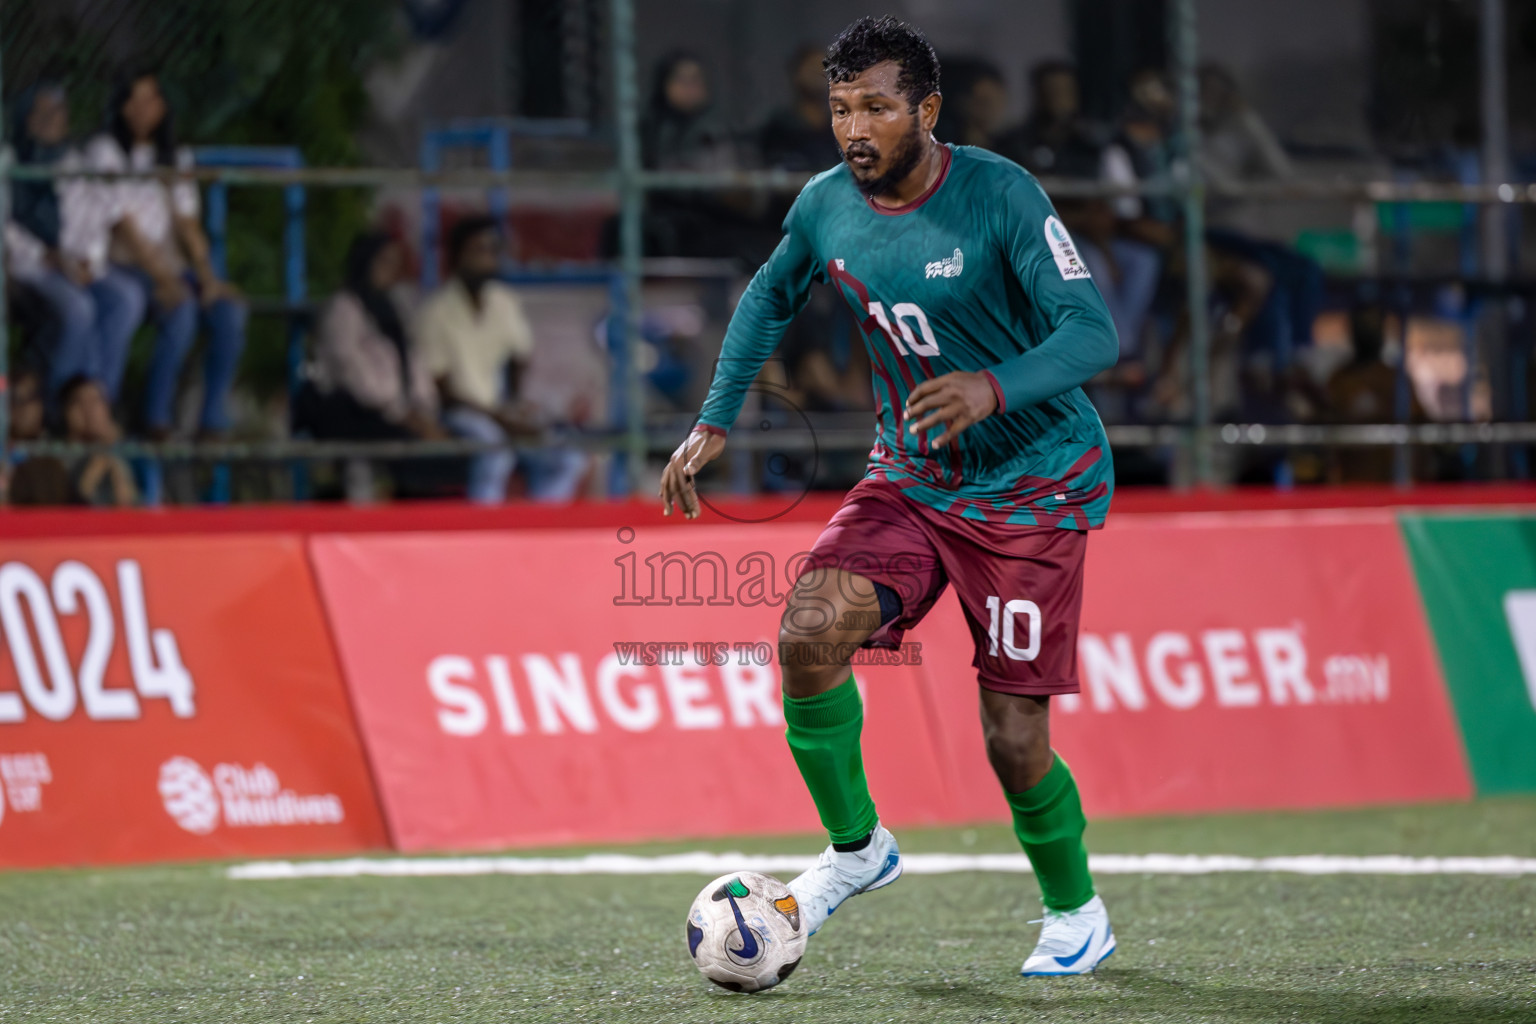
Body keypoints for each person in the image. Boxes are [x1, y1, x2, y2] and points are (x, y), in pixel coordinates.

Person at [660, 16, 1117, 976]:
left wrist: (993, 386)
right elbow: (768, 295)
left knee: (1013, 737)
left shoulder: (1000, 195)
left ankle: (1077, 913)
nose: (855, 127)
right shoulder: (828, 204)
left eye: (875, 106)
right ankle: (859, 849)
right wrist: (715, 417)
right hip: (911, 477)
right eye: (839, 108)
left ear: (927, 110)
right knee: (807, 631)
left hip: (1031, 490)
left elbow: (1092, 333)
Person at [84, 71, 247, 438]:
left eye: (152, 99)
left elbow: (187, 223)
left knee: (229, 313)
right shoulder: (105, 152)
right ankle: (156, 416)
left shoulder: (176, 156)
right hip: (126, 263)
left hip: (170, 264)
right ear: (121, 106)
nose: (144, 108)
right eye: (134, 99)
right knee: (183, 310)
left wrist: (208, 278)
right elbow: (122, 227)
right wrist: (165, 279)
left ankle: (211, 418)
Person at [417, 215, 587, 504]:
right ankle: (486, 537)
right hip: (460, 413)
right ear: (458, 256)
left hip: (501, 411)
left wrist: (515, 407)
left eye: (491, 250)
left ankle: (539, 533)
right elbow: (442, 391)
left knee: (568, 457)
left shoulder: (504, 302)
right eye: (477, 250)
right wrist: (500, 418)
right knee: (495, 453)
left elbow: (519, 356)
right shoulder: (435, 311)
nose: (486, 259)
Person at [5, 82, 144, 406]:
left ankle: (98, 403)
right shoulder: (10, 160)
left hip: (75, 265)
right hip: (30, 267)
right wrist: (48, 256)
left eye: (60, 112)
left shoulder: (72, 162)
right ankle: (60, 407)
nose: (54, 120)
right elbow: (7, 227)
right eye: (44, 113)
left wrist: (88, 260)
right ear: (27, 117)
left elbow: (93, 218)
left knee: (126, 297)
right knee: (78, 309)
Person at [305, 232, 443, 442]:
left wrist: (422, 412)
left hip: (400, 412)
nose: (390, 270)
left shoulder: (395, 308)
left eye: (395, 264)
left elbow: (414, 363)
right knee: (409, 443)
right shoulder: (344, 308)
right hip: (356, 411)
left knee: (448, 443)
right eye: (383, 261)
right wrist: (400, 414)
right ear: (365, 260)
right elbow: (349, 372)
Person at [57, 374, 137, 506]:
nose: (89, 410)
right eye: (80, 402)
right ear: (66, 411)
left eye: (96, 401)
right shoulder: (56, 459)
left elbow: (131, 505)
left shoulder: (128, 453)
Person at [760, 46, 843, 172]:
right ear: (796, 74)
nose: (818, 74)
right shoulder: (780, 126)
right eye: (811, 68)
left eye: (823, 68)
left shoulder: (839, 125)